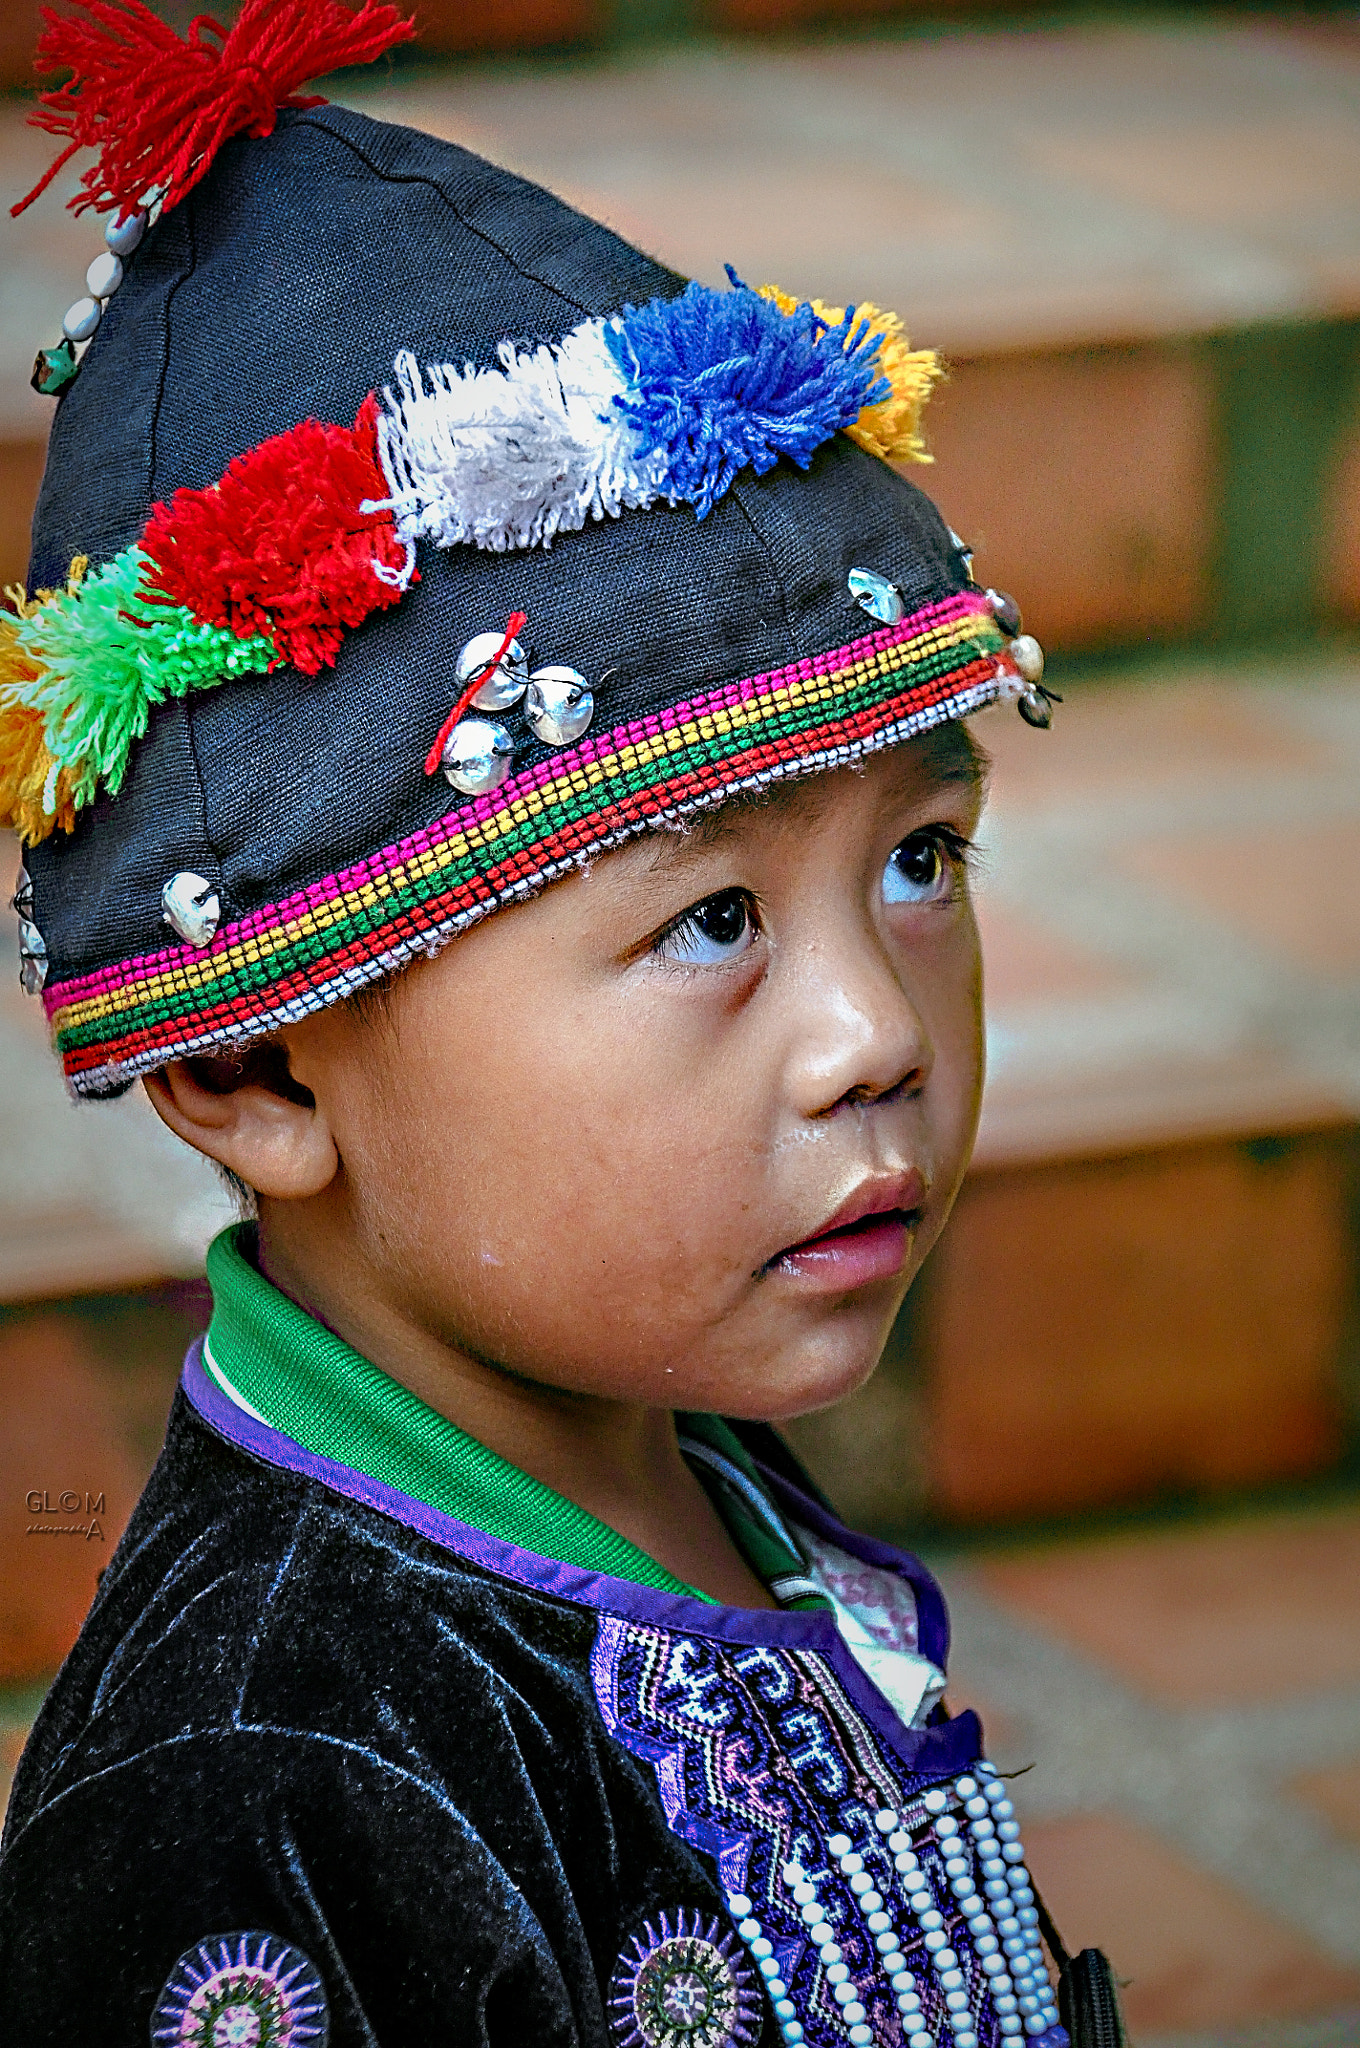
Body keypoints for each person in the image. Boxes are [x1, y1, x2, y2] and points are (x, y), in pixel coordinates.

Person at [0, 3, 1075, 2044]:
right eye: (710, 919)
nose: (873, 1034)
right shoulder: (261, 1796)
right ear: (255, 1064)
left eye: (919, 864)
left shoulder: (666, 1436)